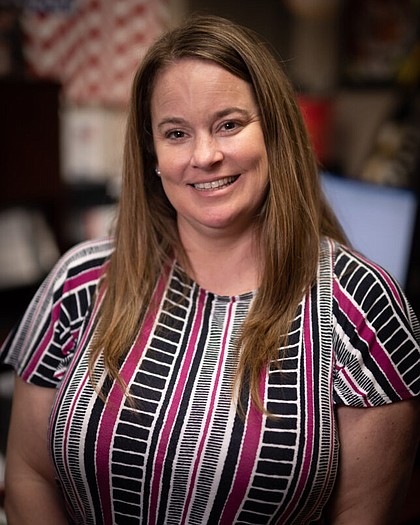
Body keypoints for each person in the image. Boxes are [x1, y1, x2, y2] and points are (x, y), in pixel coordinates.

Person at [1, 14, 419, 525]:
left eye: (229, 124)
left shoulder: (360, 303)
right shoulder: (77, 283)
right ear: (150, 152)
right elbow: (27, 476)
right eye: (176, 133)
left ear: (276, 132)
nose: (205, 155)